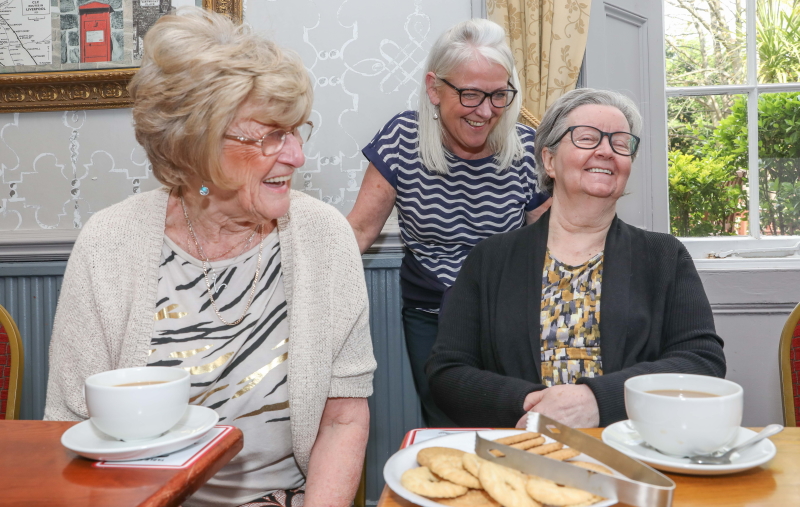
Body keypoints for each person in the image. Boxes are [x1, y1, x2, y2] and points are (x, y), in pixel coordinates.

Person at [43, 8, 376, 507]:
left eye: (295, 129)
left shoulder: (324, 237)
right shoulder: (108, 243)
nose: (296, 156)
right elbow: (67, 424)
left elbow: (343, 418)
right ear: (194, 146)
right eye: (269, 136)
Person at [427, 88, 726, 429]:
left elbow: (702, 362)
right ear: (549, 160)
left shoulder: (664, 256)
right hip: (522, 454)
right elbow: (447, 373)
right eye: (587, 138)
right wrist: (534, 404)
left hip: (634, 449)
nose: (606, 151)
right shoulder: (490, 259)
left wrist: (598, 400)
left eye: (620, 142)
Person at [347, 19, 550, 428]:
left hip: (510, 312)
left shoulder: (528, 149)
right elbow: (358, 232)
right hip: (430, 312)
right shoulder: (403, 138)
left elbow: (551, 244)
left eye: (499, 95)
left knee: (519, 421)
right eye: (471, 94)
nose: (486, 111)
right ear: (434, 88)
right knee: (447, 423)